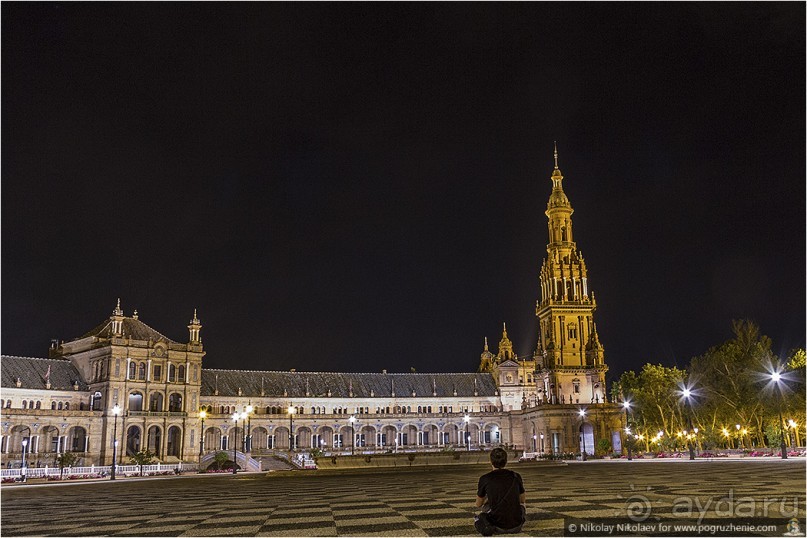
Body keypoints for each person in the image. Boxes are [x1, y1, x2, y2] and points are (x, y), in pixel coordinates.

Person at [474, 447, 526, 535]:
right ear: (506, 461)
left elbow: (478, 504)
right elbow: (522, 500)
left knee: (484, 510)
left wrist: (490, 497)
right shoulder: (516, 476)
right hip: (516, 527)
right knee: (522, 507)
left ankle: (490, 525)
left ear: (491, 461)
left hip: (496, 527)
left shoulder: (485, 478)